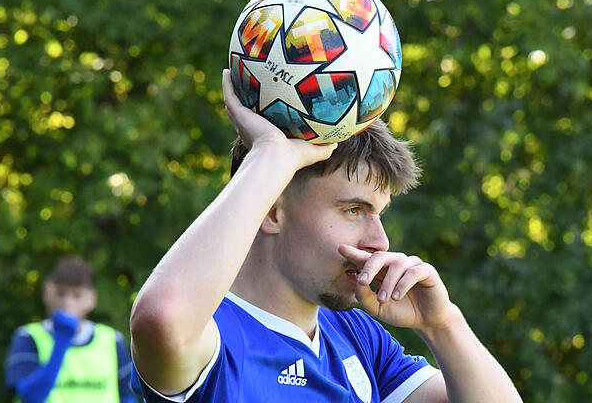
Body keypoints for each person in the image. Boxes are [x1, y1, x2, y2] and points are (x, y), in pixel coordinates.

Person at [128, 70, 523, 402]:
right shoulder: (214, 336)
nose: (380, 242)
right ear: (271, 210)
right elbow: (161, 319)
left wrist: (442, 325)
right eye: (354, 210)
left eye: (378, 213)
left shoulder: (358, 336)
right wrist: (271, 154)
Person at [5, 255, 137, 403]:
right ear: (46, 293)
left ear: (92, 299)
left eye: (77, 295)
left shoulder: (112, 340)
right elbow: (31, 397)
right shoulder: (28, 337)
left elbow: (128, 397)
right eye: (60, 293)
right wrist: (62, 340)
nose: (67, 303)